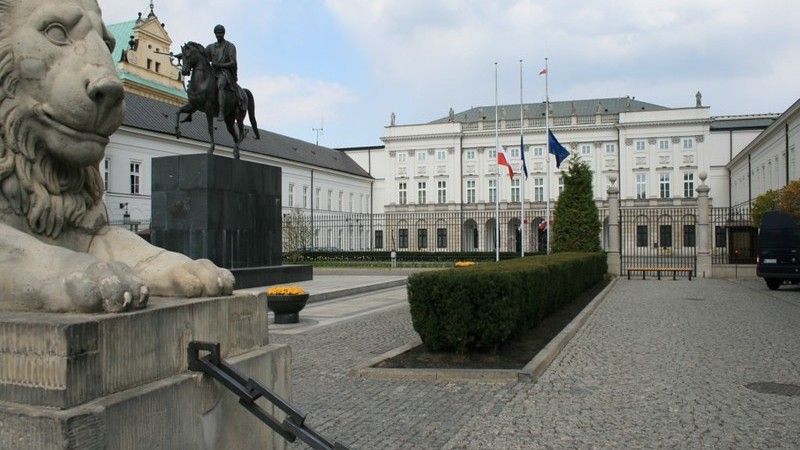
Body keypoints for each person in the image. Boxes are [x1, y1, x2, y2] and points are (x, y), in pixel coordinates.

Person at [206, 25, 243, 118]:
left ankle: (221, 111)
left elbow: (232, 62)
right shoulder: (211, 47)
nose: (218, 35)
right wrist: (184, 54)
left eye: (220, 33)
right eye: (217, 33)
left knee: (220, 84)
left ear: (223, 33)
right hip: (213, 72)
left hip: (225, 73)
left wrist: (219, 65)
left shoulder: (230, 46)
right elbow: (201, 55)